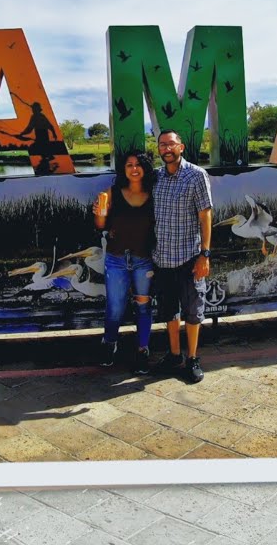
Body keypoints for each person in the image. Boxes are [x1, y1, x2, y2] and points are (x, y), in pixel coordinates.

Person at [150, 129, 213, 384]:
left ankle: (193, 358)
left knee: (193, 311)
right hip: (162, 257)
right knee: (169, 311)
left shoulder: (196, 175)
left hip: (189, 256)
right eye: (162, 145)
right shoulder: (156, 178)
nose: (166, 148)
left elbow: (205, 215)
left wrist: (205, 254)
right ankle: (175, 354)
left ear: (181, 147)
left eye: (171, 144)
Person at [92, 150, 156, 374]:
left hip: (144, 259)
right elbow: (100, 225)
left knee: (143, 305)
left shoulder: (155, 193)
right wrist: (99, 212)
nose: (134, 168)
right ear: (123, 170)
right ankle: (109, 343)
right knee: (115, 305)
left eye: (138, 164)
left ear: (146, 168)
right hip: (117, 258)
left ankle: (143, 350)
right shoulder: (113, 193)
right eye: (129, 165)